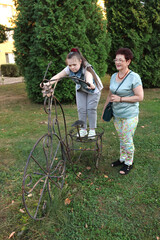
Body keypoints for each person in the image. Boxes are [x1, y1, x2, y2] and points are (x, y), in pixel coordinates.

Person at [43, 47, 103, 139]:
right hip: (81, 89)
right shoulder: (69, 68)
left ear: (80, 61)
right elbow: (59, 75)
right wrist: (48, 83)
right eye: (70, 65)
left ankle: (92, 130)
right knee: (81, 109)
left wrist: (90, 83)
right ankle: (83, 129)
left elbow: (89, 76)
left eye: (74, 65)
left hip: (93, 89)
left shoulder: (86, 67)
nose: (72, 67)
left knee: (91, 109)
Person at [102, 48, 144, 175]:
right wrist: (104, 110)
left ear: (128, 61)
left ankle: (128, 163)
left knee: (127, 139)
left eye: (121, 60)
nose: (118, 62)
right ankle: (122, 159)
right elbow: (110, 95)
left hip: (129, 115)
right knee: (121, 138)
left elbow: (140, 97)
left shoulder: (134, 77)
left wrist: (121, 99)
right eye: (116, 59)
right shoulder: (114, 76)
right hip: (117, 114)